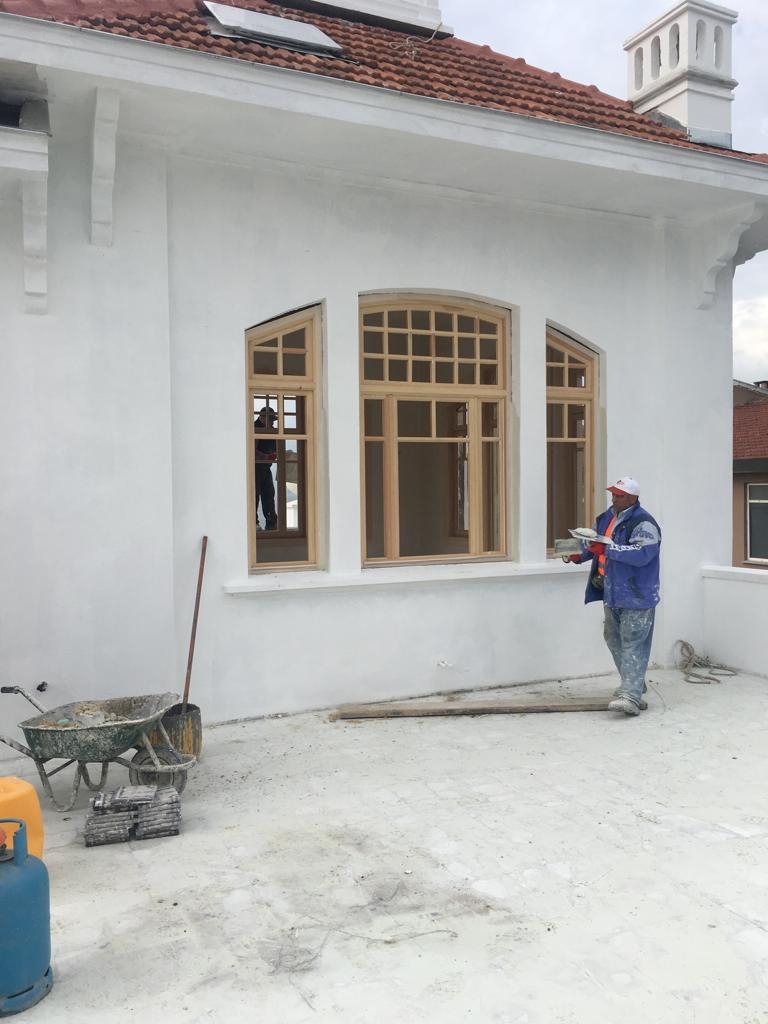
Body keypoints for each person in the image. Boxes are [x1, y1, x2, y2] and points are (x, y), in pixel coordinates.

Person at [564, 476, 661, 716]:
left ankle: (630, 696)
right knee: (613, 638)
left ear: (633, 498)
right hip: (612, 592)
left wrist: (608, 549)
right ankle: (634, 683)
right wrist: (575, 553)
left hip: (637, 594)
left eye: (620, 495)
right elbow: (593, 545)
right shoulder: (606, 518)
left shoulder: (644, 523)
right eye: (613, 494)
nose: (614, 498)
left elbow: (643, 554)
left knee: (633, 642)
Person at [255, 406, 278, 530]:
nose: (272, 423)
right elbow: (250, 450)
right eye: (271, 420)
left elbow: (276, 449)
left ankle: (271, 523)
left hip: (265, 467)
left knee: (269, 495)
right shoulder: (253, 428)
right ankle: (254, 523)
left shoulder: (272, 431)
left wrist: (276, 454)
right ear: (263, 417)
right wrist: (266, 456)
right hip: (254, 468)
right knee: (254, 495)